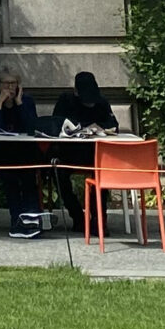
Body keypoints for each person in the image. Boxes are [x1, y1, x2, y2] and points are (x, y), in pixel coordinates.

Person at [0, 65, 48, 238]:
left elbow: (32, 128)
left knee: (28, 176)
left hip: (23, 151)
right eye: (6, 84)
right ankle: (17, 221)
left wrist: (19, 104)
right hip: (0, 153)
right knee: (10, 178)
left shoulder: (27, 101)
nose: (10, 88)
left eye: (13, 83)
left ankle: (32, 220)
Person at [50, 71, 118, 234]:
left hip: (93, 153)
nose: (91, 104)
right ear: (76, 92)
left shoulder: (102, 102)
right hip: (68, 152)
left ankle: (99, 219)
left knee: (101, 174)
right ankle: (77, 216)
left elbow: (114, 125)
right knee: (57, 172)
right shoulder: (66, 100)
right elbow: (55, 124)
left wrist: (98, 127)